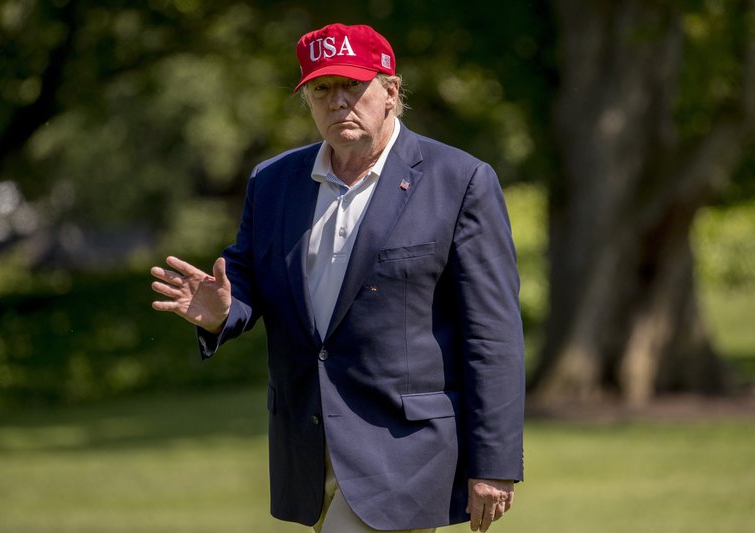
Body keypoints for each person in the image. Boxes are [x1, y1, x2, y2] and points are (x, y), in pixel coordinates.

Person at [151, 23, 524, 533]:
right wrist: (223, 312)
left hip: (402, 452)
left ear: (391, 91)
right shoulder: (274, 181)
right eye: (322, 89)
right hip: (305, 447)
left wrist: (494, 464)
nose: (338, 101)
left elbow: (493, 334)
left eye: (353, 85)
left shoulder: (459, 180)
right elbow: (247, 279)